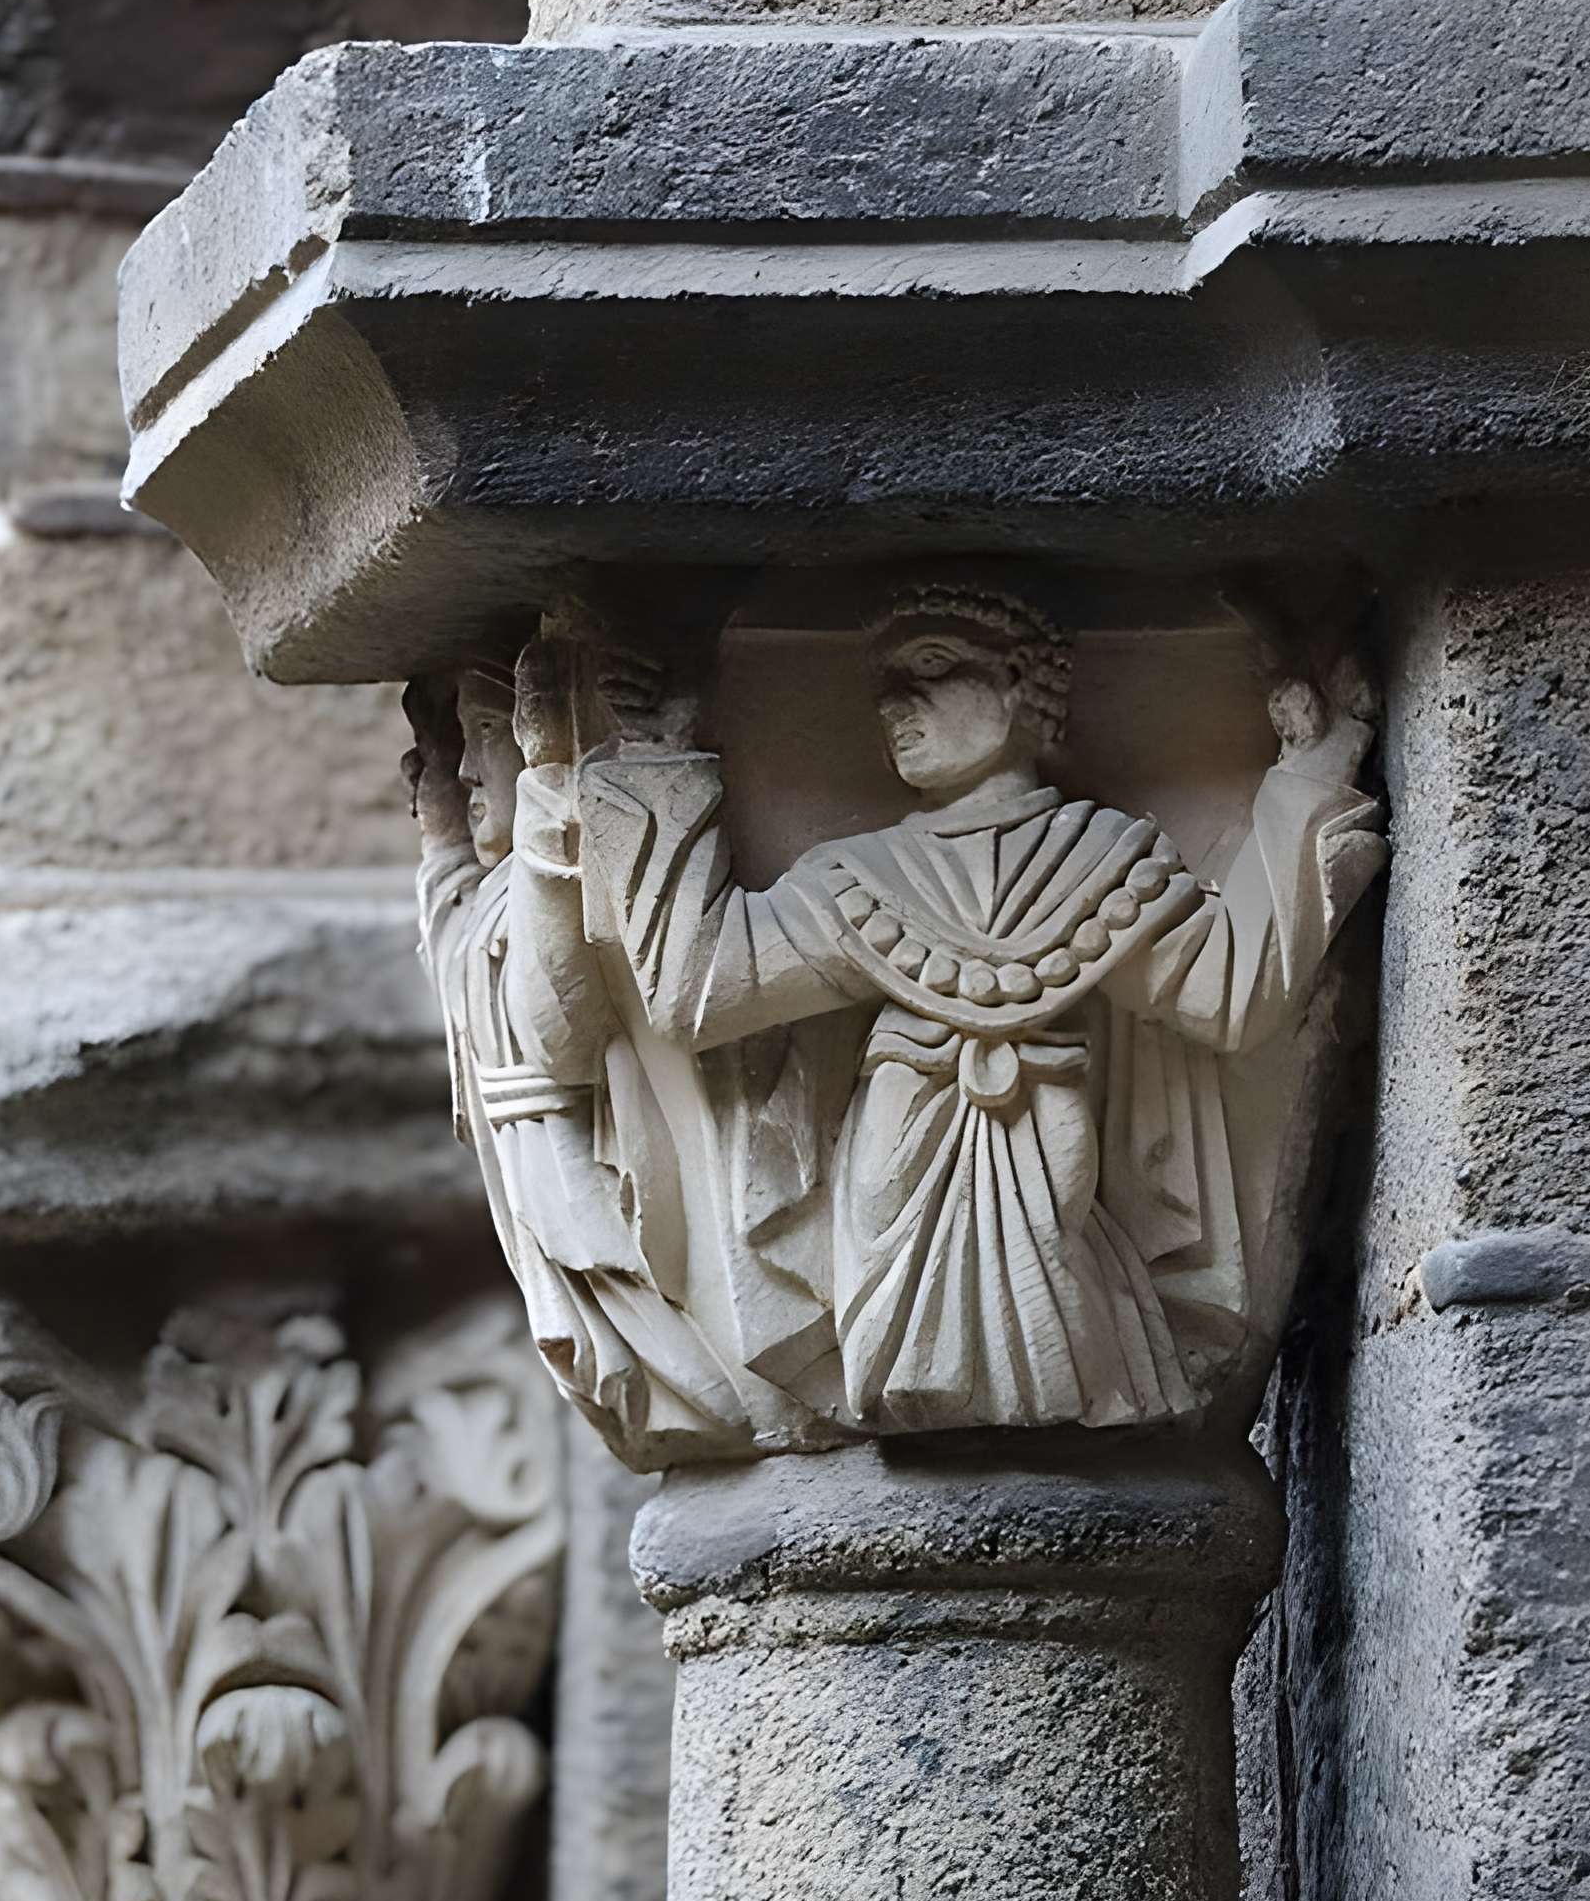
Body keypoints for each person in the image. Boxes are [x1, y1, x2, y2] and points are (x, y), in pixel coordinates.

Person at [575, 581, 1386, 1435]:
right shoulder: (859, 876)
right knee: (917, 1369)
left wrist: (1312, 764)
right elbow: (702, 988)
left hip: (1051, 1165)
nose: (895, 702)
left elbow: (1227, 991)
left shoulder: (1100, 859)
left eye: (931, 667)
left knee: (1054, 1327)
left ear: (1018, 684)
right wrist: (661, 755)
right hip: (896, 1181)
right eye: (885, 680)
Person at [407, 654, 768, 1469]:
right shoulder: (495, 893)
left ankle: (719, 1404)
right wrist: (439, 840)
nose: (464, 768)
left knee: (645, 1345)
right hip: (520, 1156)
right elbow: (456, 951)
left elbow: (560, 1024)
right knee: (578, 1335)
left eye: (488, 735)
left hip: (569, 1153)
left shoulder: (547, 869)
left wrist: (549, 780)